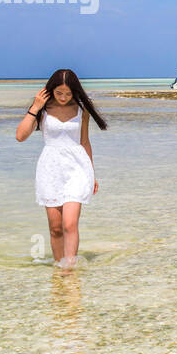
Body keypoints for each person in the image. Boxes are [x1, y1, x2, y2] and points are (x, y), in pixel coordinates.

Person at [15, 69, 108, 270]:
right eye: (59, 94)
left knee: (69, 224)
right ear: (50, 91)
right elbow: (20, 136)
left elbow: (85, 142)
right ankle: (59, 270)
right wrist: (35, 107)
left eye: (68, 93)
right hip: (50, 169)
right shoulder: (42, 109)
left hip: (77, 168)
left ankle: (69, 270)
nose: (64, 98)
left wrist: (92, 174)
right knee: (56, 228)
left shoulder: (82, 111)